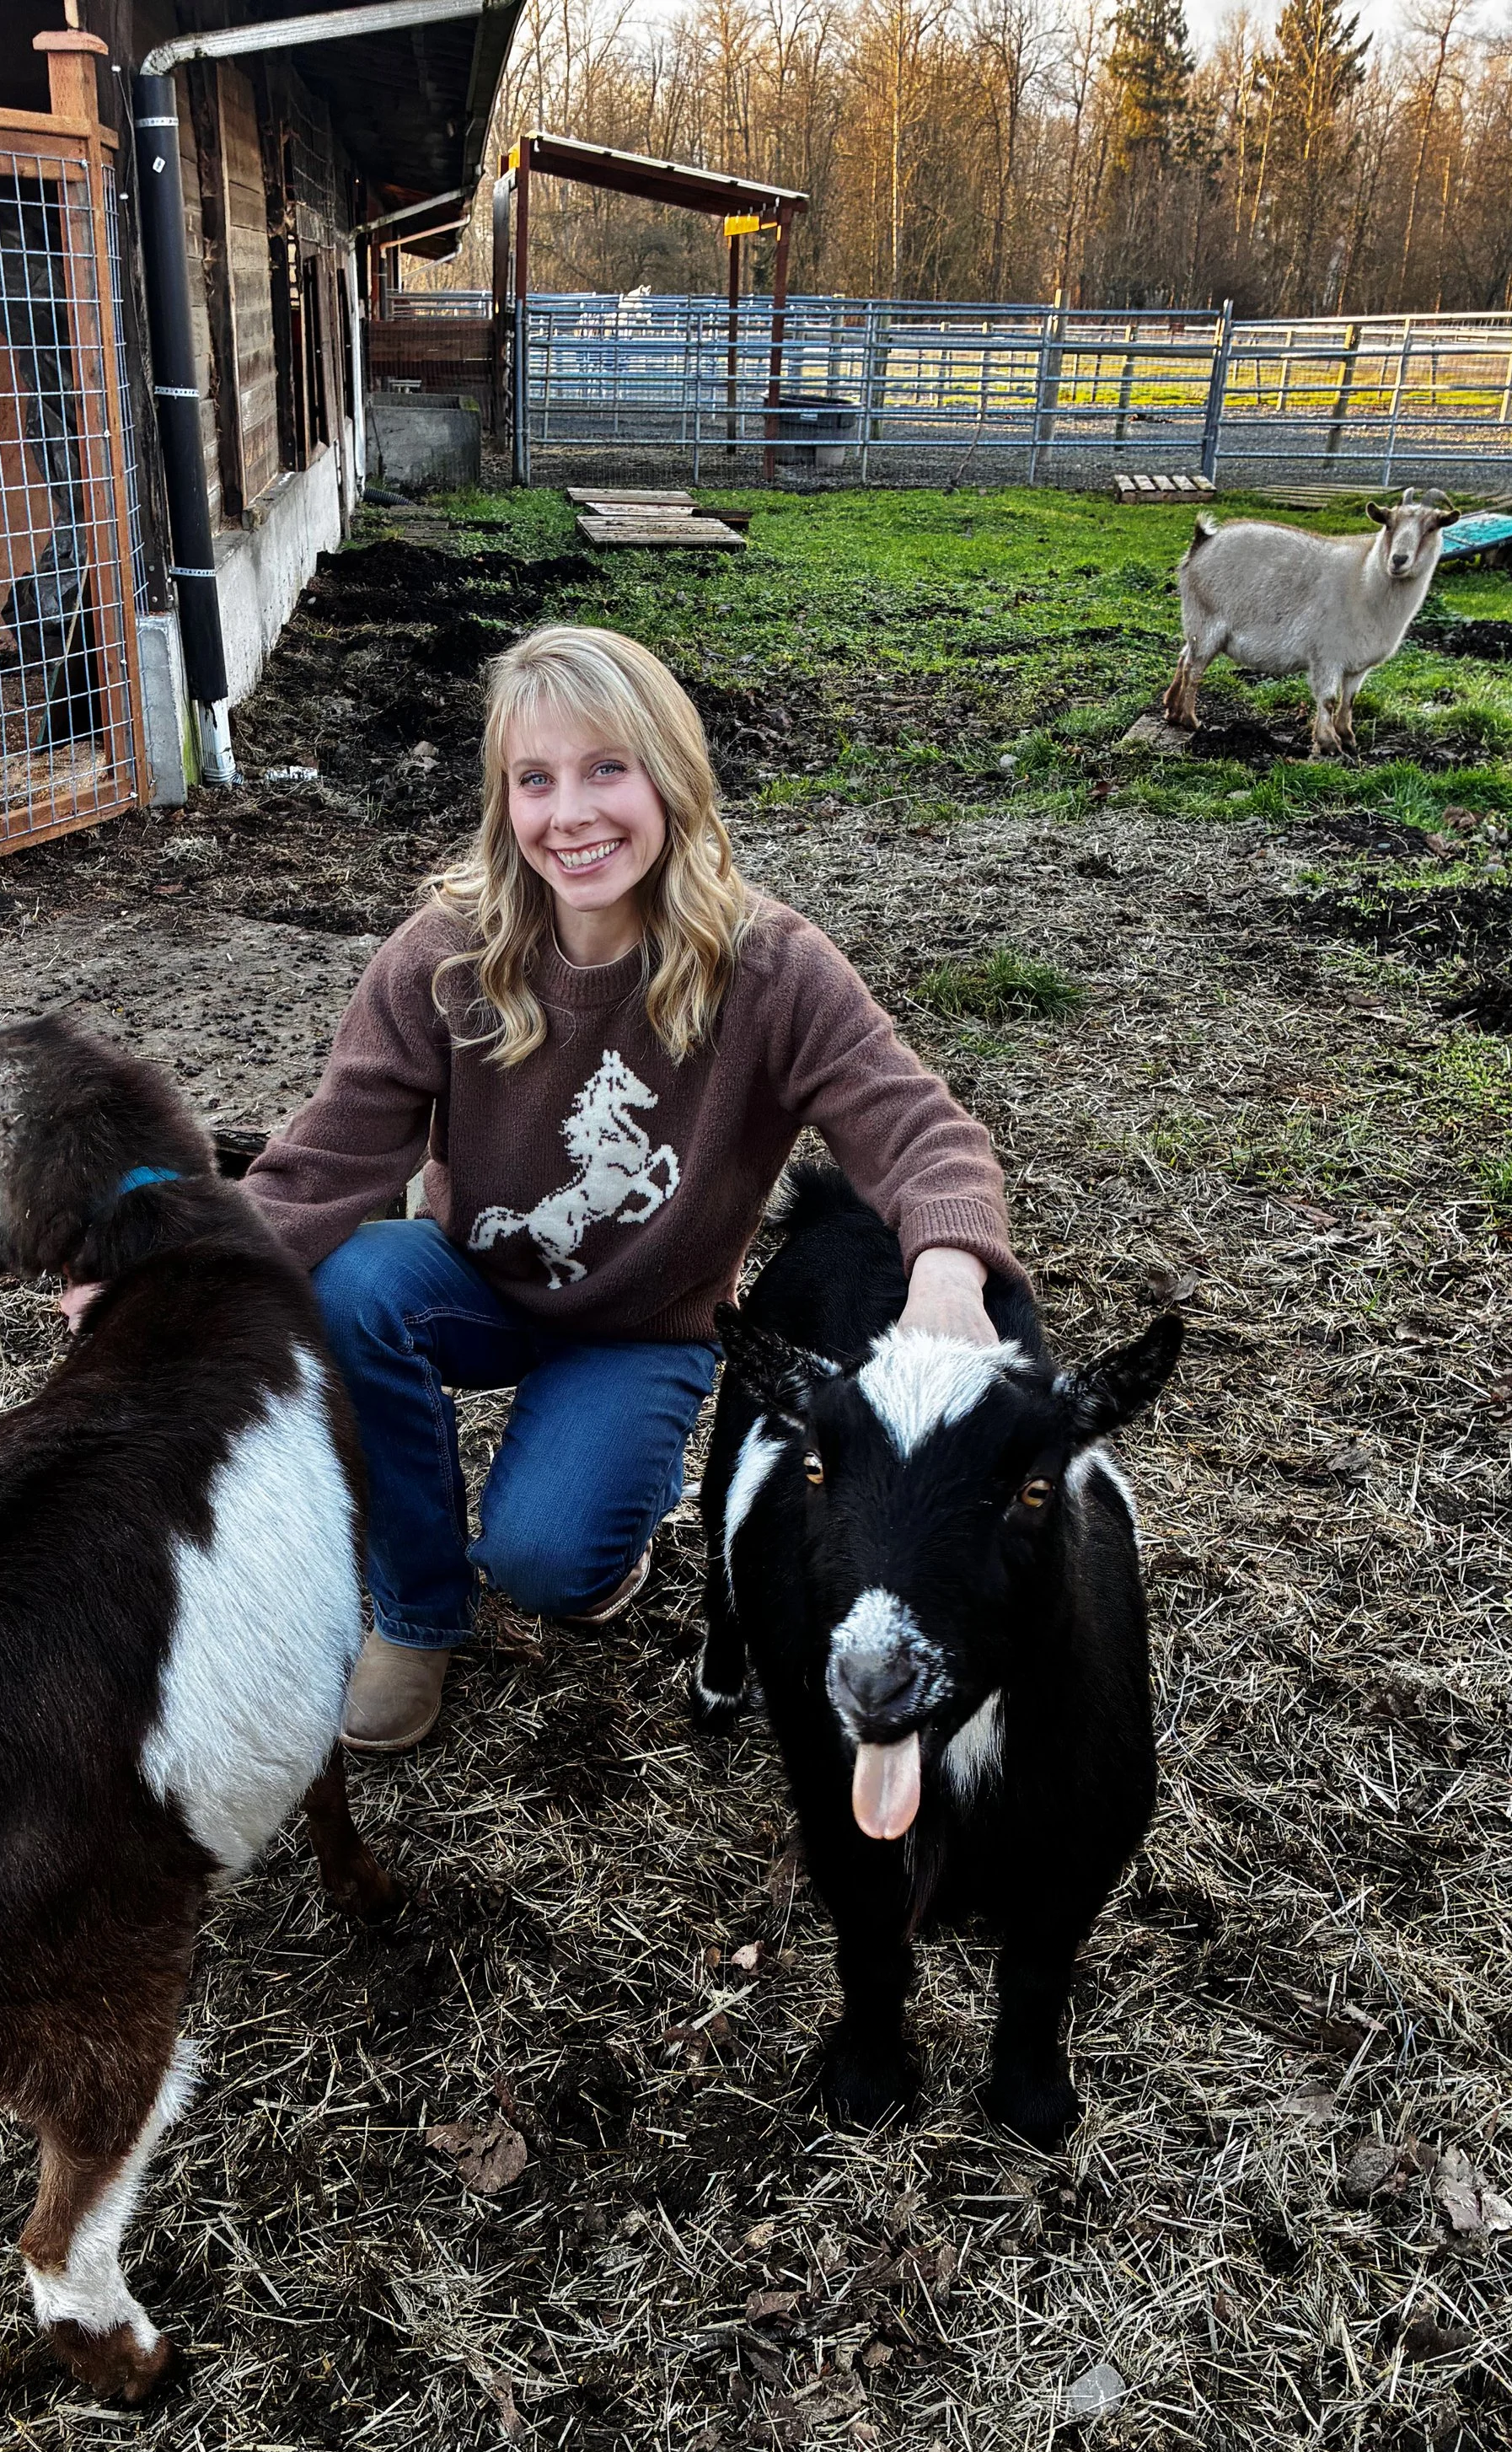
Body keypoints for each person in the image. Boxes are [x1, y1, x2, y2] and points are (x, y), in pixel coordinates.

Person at [242, 624, 1023, 1754]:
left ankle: (606, 1512)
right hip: (476, 1281)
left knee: (550, 1562)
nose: (573, 815)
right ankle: (414, 1614)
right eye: (535, 780)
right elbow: (325, 1161)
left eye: (608, 768)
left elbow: (921, 1130)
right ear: (503, 801)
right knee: (353, 1283)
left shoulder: (769, 967)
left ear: (671, 775)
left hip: (643, 1328)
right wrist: (175, 1278)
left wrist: (948, 1275)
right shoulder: (446, 958)